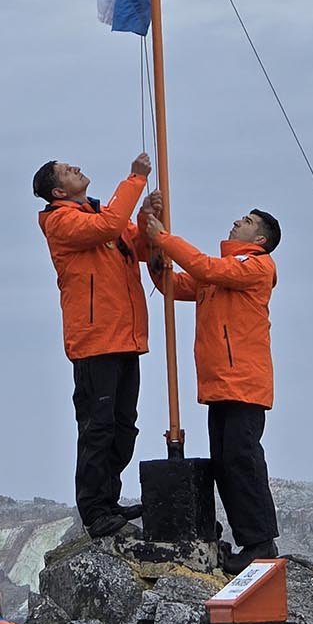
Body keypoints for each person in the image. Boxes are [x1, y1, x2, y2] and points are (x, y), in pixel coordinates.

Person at [144, 201, 283, 574]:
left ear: (260, 239)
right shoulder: (223, 272)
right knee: (226, 462)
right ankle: (252, 541)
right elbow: (175, 285)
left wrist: (164, 239)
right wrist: (156, 258)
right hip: (221, 383)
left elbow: (204, 267)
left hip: (243, 383)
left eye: (248, 221)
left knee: (242, 460)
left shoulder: (256, 266)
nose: (238, 221)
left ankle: (260, 542)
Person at [34, 152, 156, 536]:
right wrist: (135, 180)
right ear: (58, 192)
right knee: (97, 428)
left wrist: (145, 218)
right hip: (95, 340)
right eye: (65, 171)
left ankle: (108, 499)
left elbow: (138, 247)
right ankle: (95, 511)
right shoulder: (61, 221)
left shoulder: (99, 215)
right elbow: (109, 227)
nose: (75, 168)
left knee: (122, 427)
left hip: (123, 337)